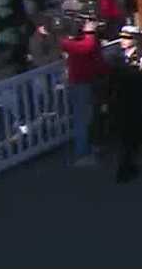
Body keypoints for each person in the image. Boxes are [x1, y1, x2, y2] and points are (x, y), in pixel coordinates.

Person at [107, 26, 142, 183]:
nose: (124, 41)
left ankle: (126, 168)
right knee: (137, 132)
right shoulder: (117, 57)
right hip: (121, 100)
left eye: (128, 38)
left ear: (135, 40)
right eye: (123, 38)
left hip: (137, 100)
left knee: (130, 136)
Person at [60, 15, 107, 168]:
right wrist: (90, 33)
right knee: (82, 119)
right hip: (80, 84)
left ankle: (93, 147)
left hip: (92, 80)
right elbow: (87, 48)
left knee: (93, 116)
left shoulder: (86, 40)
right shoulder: (68, 43)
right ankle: (82, 154)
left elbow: (95, 53)